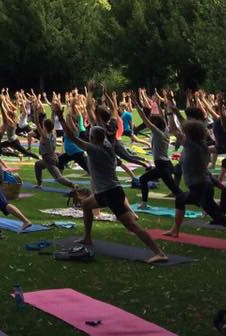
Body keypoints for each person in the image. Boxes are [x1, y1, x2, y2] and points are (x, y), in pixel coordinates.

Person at [54, 103, 168, 263]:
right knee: (86, 205)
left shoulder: (95, 149)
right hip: (105, 192)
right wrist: (95, 112)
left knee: (131, 226)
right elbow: (99, 127)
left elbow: (73, 137)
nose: (88, 136)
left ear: (93, 139)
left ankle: (159, 253)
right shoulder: (106, 144)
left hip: (111, 192)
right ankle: (87, 237)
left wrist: (60, 116)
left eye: (90, 135)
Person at [166, 107, 226, 248]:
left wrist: (172, 112)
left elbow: (175, 128)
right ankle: (175, 230)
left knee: (218, 217)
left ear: (189, 134)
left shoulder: (191, 145)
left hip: (201, 187)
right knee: (180, 199)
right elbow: (181, 127)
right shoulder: (199, 145)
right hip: (200, 186)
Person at [132, 91, 181, 210]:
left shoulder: (158, 133)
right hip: (166, 163)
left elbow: (145, 119)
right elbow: (162, 117)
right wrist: (160, 105)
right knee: (145, 179)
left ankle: (203, 205)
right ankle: (143, 204)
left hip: (162, 165)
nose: (151, 122)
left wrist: (137, 105)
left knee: (176, 191)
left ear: (156, 125)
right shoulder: (165, 130)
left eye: (153, 122)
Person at [33, 115, 77, 190]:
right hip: (52, 157)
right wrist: (53, 112)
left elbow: (37, 123)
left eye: (43, 125)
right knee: (38, 165)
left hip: (49, 159)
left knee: (58, 177)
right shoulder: (53, 132)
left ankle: (73, 185)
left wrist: (35, 111)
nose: (42, 126)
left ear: (45, 127)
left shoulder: (45, 136)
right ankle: (39, 184)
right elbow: (52, 121)